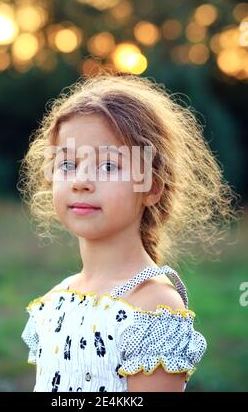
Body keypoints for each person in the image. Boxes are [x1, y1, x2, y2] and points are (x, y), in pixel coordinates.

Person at [19, 72, 239, 392]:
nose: (81, 180)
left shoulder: (153, 307)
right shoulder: (54, 301)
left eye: (108, 166)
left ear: (151, 188)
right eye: (67, 164)